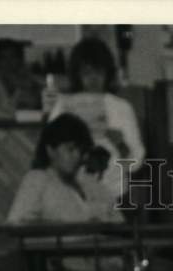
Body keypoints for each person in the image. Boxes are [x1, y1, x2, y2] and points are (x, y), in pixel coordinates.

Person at [7, 113, 125, 271]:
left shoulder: (89, 183)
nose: (77, 156)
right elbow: (16, 224)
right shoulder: (38, 180)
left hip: (112, 265)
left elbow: (118, 220)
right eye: (70, 149)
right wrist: (71, 230)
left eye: (81, 150)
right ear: (51, 150)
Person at [47, 36, 145, 203]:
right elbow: (48, 152)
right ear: (77, 75)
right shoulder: (63, 106)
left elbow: (137, 161)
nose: (93, 78)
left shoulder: (121, 108)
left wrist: (120, 145)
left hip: (114, 195)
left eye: (98, 72)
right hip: (72, 196)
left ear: (108, 73)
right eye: (86, 72)